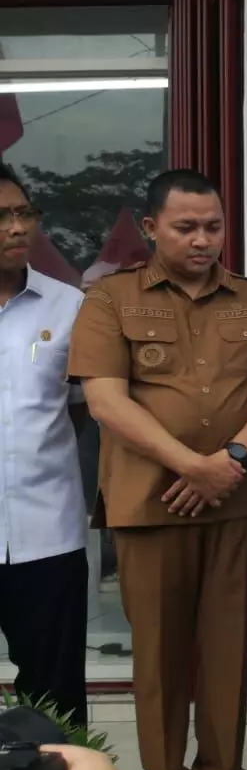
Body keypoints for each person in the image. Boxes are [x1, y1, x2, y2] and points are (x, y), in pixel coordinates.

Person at [68, 169, 247, 770]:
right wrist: (193, 466)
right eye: (186, 227)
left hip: (239, 501)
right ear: (150, 228)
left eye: (213, 227)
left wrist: (232, 457)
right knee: (159, 658)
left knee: (229, 650)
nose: (202, 240)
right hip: (150, 504)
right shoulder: (110, 299)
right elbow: (106, 401)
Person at [0, 165, 89, 727]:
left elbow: (83, 408)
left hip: (47, 535)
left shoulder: (68, 306)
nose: (18, 227)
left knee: (54, 701)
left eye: (24, 213)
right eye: (2, 217)